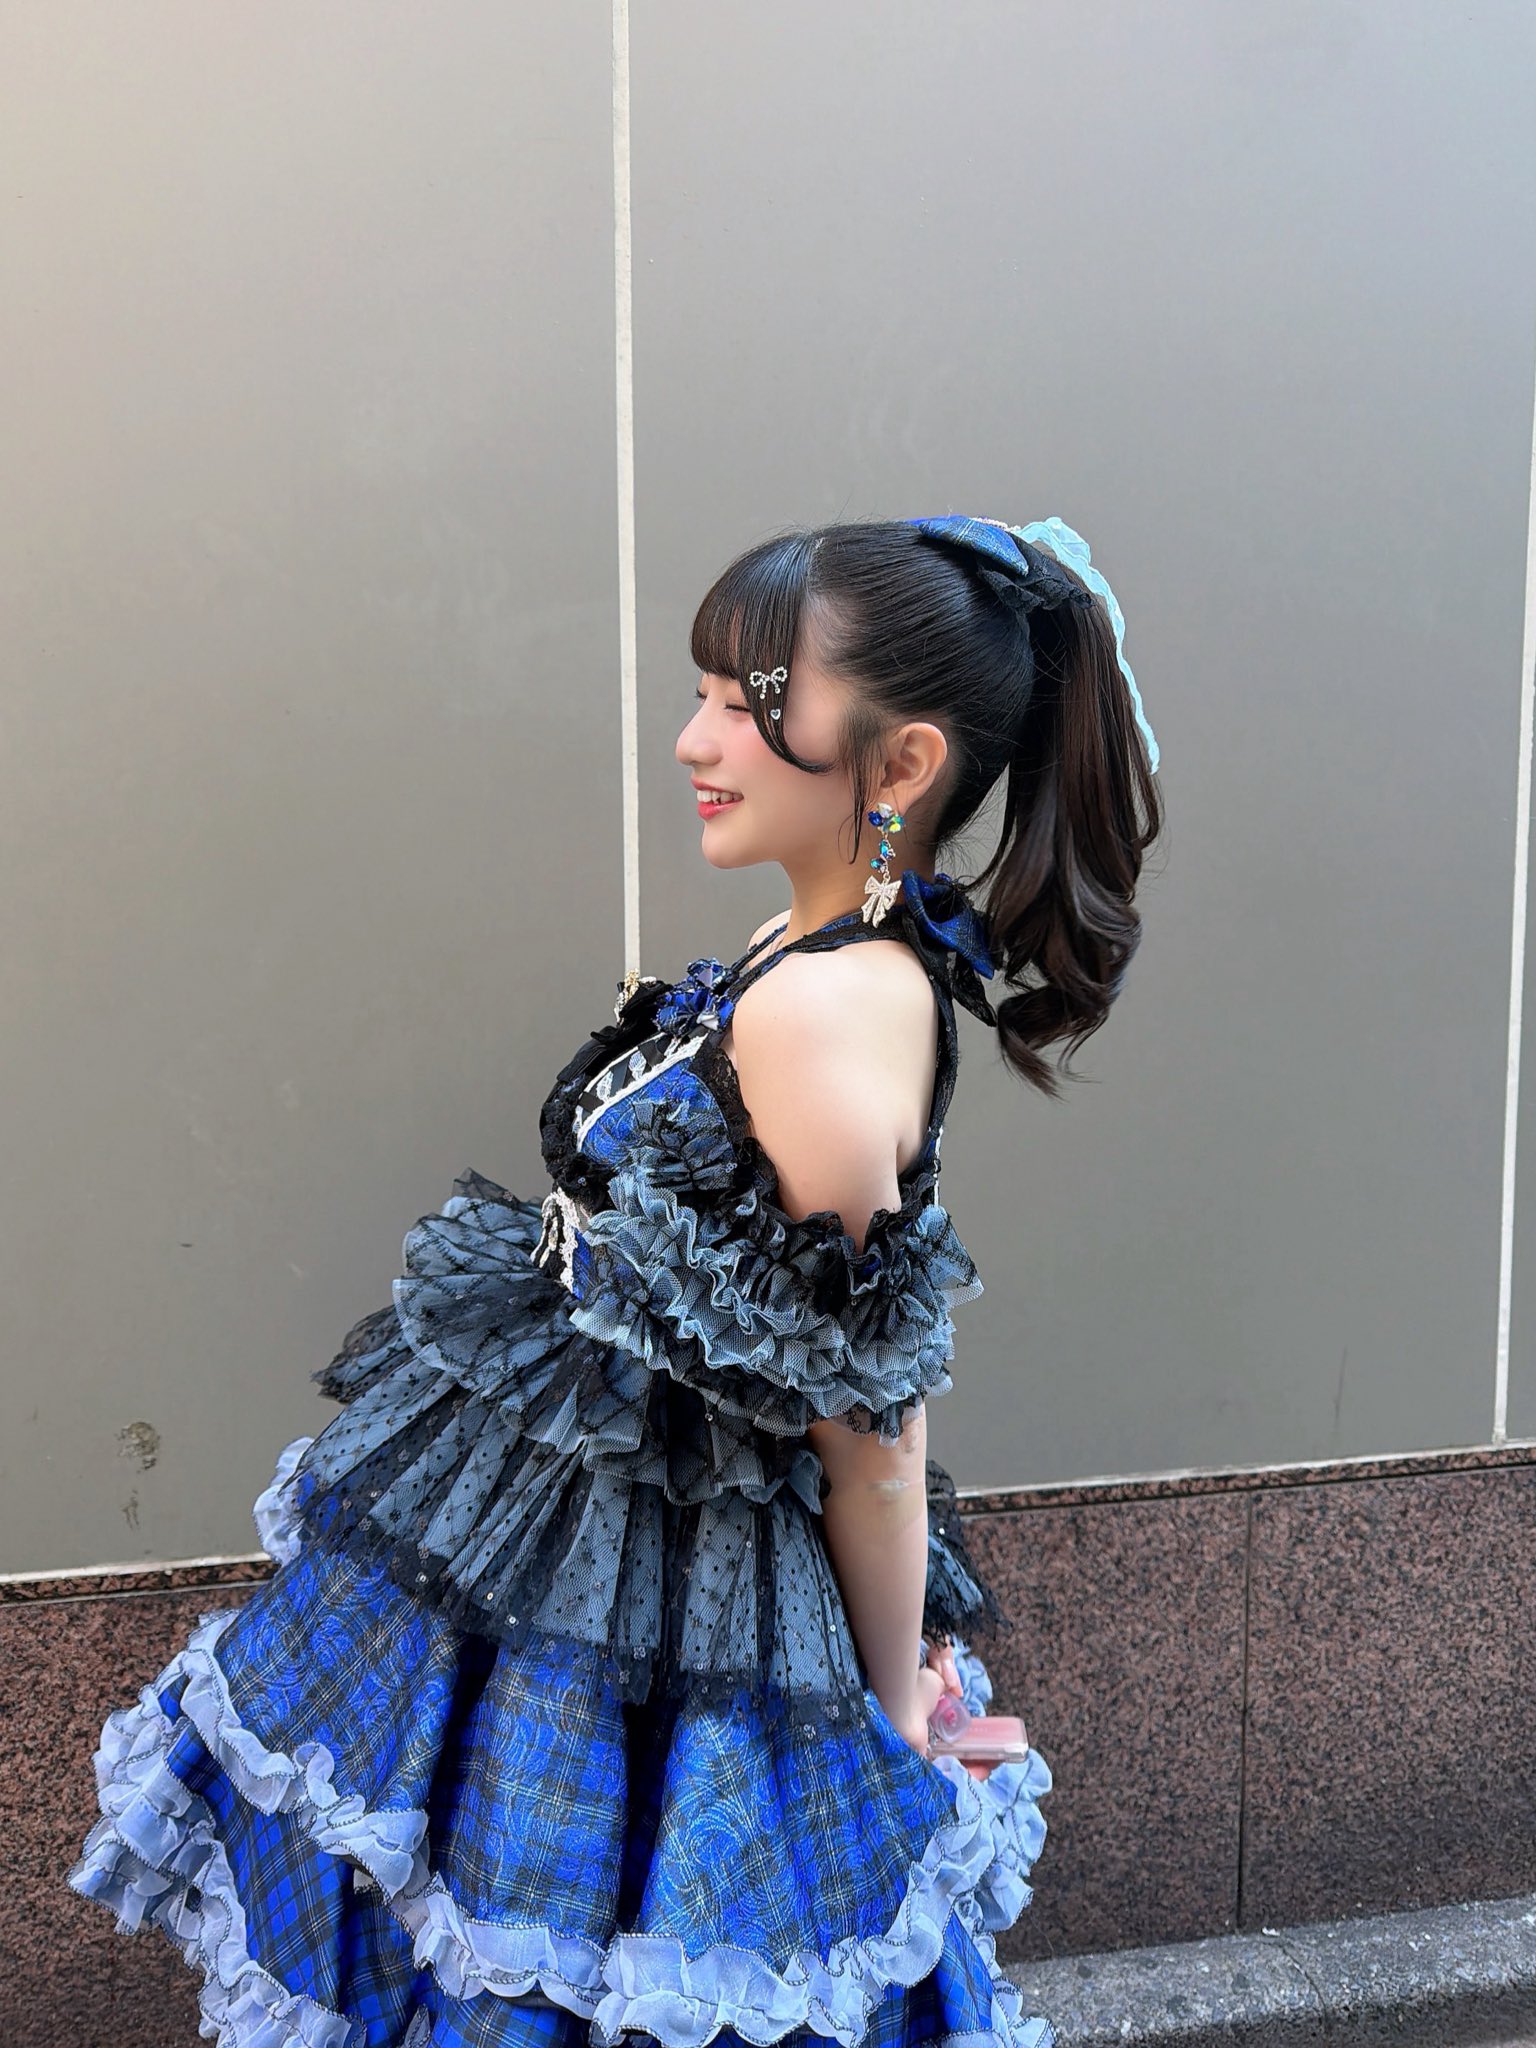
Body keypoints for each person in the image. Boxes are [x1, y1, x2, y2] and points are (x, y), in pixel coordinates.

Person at [67, 513, 1162, 2048]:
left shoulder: (828, 1016)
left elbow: (871, 1438)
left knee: (573, 1949)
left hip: (658, 1586)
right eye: (704, 693)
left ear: (902, 763)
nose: (696, 739)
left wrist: (889, 1718)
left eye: (747, 702)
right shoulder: (811, 952)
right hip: (586, 1534)